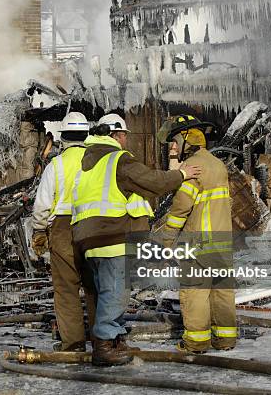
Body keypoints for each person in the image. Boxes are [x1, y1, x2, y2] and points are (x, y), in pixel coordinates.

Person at [71, 113, 202, 366]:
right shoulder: (116, 159)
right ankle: (104, 345)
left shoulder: (88, 162)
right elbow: (151, 181)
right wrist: (181, 174)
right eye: (123, 136)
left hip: (89, 239)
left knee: (107, 291)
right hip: (112, 236)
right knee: (116, 292)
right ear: (116, 135)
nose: (125, 141)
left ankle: (116, 339)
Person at [158, 115, 236, 354]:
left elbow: (180, 210)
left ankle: (196, 342)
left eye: (175, 142)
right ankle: (225, 340)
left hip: (199, 241)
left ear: (185, 140)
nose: (173, 147)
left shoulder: (192, 168)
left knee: (196, 292)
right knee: (221, 291)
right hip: (222, 239)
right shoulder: (218, 164)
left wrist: (166, 240)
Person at [31, 112, 97, 352]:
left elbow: (42, 206)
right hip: (93, 226)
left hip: (62, 229)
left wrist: (39, 231)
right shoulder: (96, 163)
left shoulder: (55, 165)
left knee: (67, 289)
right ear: (86, 136)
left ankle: (73, 343)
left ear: (64, 138)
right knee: (94, 286)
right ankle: (102, 341)